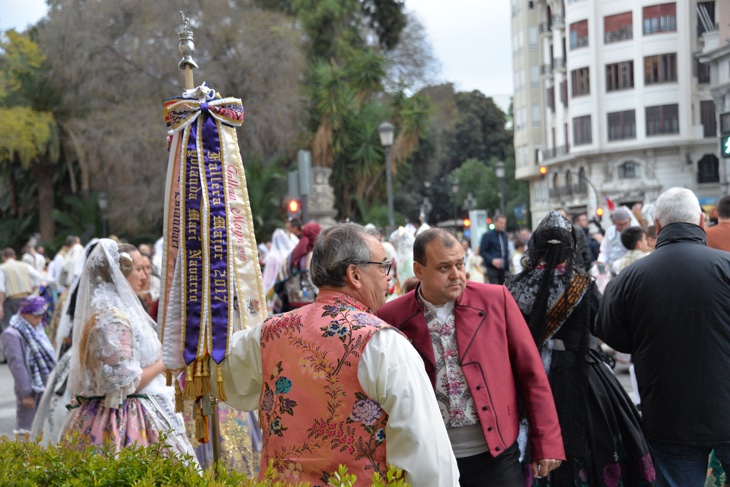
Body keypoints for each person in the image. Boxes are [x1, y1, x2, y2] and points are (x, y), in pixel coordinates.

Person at [220, 223, 459, 485]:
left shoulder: (267, 334)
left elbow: (219, 374)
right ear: (354, 274)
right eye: (383, 267)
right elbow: (426, 456)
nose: (388, 277)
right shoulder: (383, 344)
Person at [377, 228, 565, 486]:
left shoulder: (495, 299)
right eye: (444, 268)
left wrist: (546, 441)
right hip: (430, 458)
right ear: (418, 271)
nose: (457, 275)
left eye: (460, 264)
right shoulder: (391, 317)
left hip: (497, 453)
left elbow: (531, 373)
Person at [505, 211, 655, 486]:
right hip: (582, 372)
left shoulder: (514, 287)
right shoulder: (581, 285)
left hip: (530, 371)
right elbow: (602, 327)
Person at [595, 187, 730, 486]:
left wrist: (646, 343)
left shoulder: (629, 278)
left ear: (657, 226)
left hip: (667, 413)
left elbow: (609, 333)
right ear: (701, 221)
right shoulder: (726, 267)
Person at [61, 239, 196, 462]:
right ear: (118, 273)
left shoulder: (118, 312)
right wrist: (164, 361)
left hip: (123, 409)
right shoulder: (112, 320)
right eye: (138, 269)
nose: (144, 276)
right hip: (124, 417)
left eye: (146, 269)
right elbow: (126, 383)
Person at [1, 296, 57, 438]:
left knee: (43, 427)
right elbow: (17, 365)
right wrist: (26, 394)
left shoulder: (36, 328)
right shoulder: (11, 334)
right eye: (36, 316)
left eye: (41, 316)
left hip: (44, 383)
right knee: (27, 428)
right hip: (29, 388)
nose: (39, 320)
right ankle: (25, 458)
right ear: (25, 313)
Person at [0, 247, 43, 362]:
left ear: (4, 257)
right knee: (25, 326)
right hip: (25, 298)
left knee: (8, 327)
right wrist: (31, 289)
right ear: (14, 256)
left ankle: (11, 354)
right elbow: (39, 277)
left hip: (10, 300)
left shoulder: (2, 268)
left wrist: (0, 305)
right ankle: (28, 351)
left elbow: (1, 288)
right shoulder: (24, 266)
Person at [273, 221, 322, 312]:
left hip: (291, 303)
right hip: (309, 305)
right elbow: (313, 281)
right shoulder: (312, 256)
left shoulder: (293, 253)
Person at [480, 214, 510, 284]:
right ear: (495, 222)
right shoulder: (488, 235)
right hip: (492, 268)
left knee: (503, 289)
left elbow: (506, 252)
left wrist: (507, 268)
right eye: (501, 223)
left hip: (503, 269)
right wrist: (492, 260)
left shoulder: (504, 236)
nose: (503, 225)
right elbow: (482, 251)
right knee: (495, 290)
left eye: (504, 223)